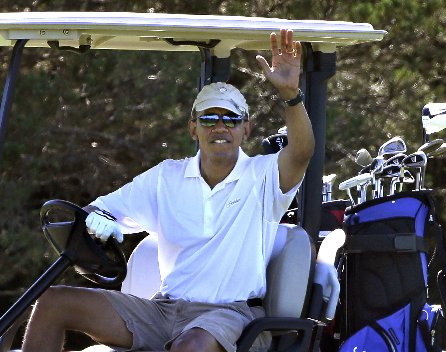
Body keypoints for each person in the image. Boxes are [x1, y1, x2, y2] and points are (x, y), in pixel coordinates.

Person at [21, 28, 314, 352]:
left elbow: (301, 152)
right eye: (209, 118)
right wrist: (97, 219)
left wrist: (291, 95)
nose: (220, 126)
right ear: (193, 127)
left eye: (231, 119)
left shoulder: (262, 177)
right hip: (164, 310)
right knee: (52, 302)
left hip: (231, 315)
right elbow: (102, 210)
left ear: (246, 128)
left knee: (189, 346)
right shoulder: (166, 178)